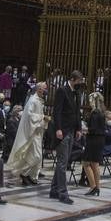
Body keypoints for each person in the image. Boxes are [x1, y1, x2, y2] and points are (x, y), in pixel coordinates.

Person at [48, 70, 81, 204]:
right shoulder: (62, 90)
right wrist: (58, 129)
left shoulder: (76, 92)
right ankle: (63, 193)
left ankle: (54, 190)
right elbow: (57, 111)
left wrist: (78, 128)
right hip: (63, 130)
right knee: (62, 162)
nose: (80, 84)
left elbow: (77, 112)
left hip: (72, 130)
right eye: (79, 81)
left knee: (64, 161)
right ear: (72, 79)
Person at [9, 81, 47, 186]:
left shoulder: (40, 100)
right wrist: (42, 118)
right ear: (39, 89)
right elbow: (29, 116)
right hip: (32, 132)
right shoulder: (33, 100)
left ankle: (31, 177)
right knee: (37, 156)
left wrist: (44, 120)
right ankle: (23, 173)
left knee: (33, 156)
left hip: (38, 131)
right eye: (44, 88)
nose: (45, 90)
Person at [80, 92, 107, 197]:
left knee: (86, 163)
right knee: (95, 164)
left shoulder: (95, 113)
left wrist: (84, 129)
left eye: (90, 100)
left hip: (94, 140)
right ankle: (97, 187)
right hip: (100, 140)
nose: (89, 102)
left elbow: (93, 129)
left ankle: (93, 186)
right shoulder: (102, 112)